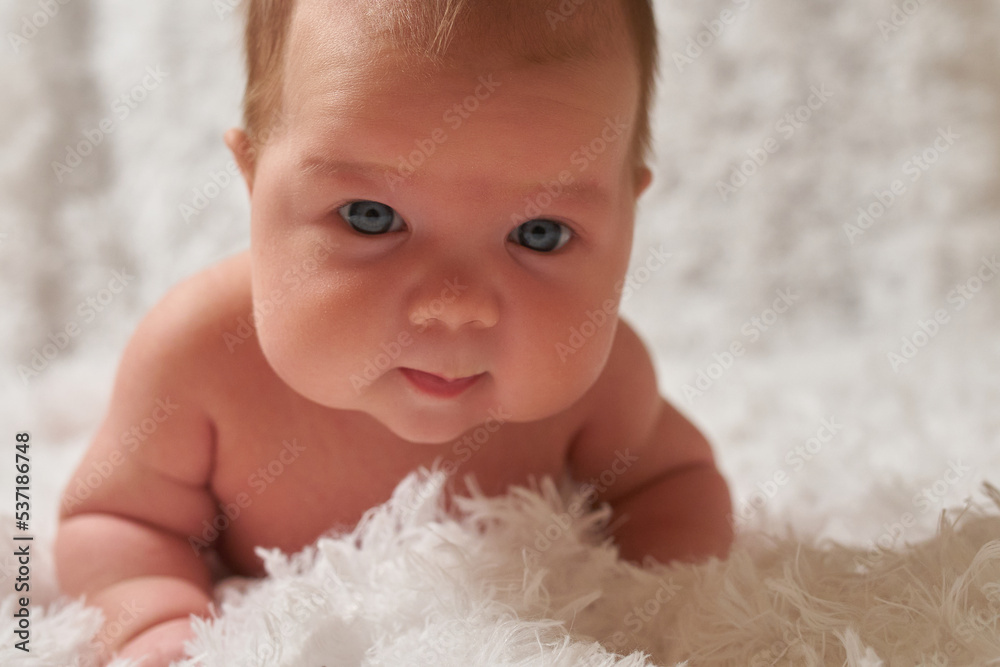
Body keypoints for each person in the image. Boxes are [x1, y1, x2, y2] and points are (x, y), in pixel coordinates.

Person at [55, 0, 734, 663]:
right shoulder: (199, 359)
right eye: (370, 216)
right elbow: (117, 518)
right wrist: (157, 615)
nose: (454, 305)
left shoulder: (607, 379)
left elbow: (674, 484)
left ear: (626, 220)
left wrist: (659, 610)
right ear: (255, 179)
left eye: (540, 233)